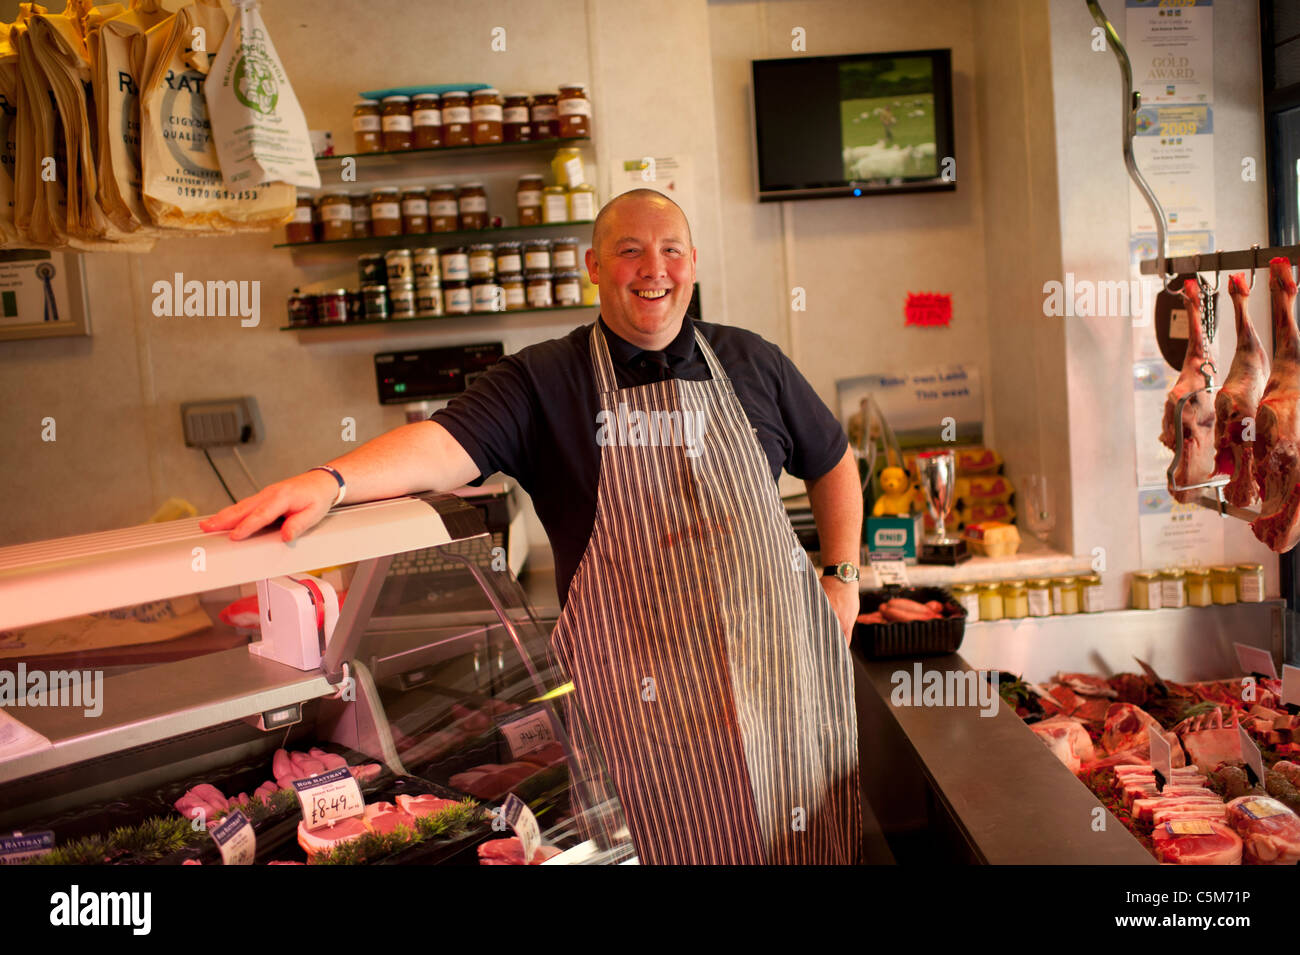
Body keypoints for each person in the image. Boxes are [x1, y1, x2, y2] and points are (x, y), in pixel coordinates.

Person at [201, 189, 863, 864]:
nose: (652, 268)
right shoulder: (546, 380)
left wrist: (843, 575)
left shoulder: (753, 362)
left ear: (691, 262)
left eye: (669, 251)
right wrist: (332, 479)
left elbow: (834, 460)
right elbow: (439, 444)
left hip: (779, 689)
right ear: (594, 266)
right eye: (629, 250)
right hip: (650, 720)